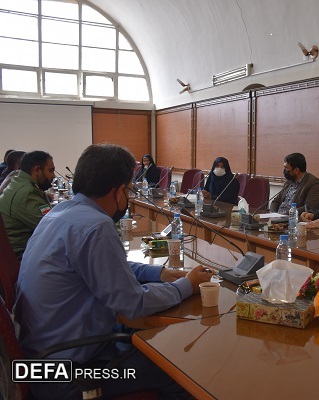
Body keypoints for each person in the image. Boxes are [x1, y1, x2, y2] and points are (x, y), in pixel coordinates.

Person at [14, 144, 213, 399]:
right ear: (118, 190)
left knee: (152, 342)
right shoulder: (96, 226)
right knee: (179, 368)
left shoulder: (60, 213)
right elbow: (133, 303)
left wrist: (158, 274)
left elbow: (98, 267)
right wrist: (187, 286)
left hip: (39, 362)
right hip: (71, 375)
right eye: (128, 189)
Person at [0, 151, 54, 259]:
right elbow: (52, 230)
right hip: (22, 258)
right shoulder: (27, 194)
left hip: (17, 253)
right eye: (50, 171)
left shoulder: (19, 182)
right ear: (37, 170)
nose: (53, 175)